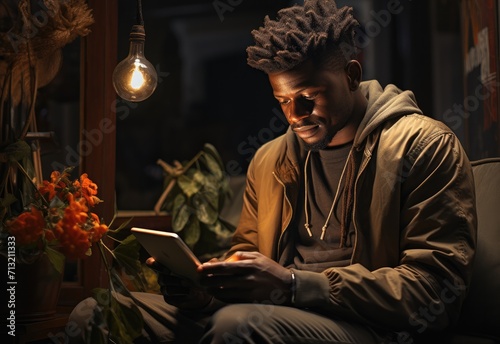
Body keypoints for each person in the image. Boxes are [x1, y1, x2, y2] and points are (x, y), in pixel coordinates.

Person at [68, 0, 477, 343]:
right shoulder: (270, 160)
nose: (295, 116)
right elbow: (249, 262)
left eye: (309, 97)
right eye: (282, 100)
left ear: (351, 75)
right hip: (267, 314)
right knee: (95, 313)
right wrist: (204, 295)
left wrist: (295, 284)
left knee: (238, 326)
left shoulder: (423, 147)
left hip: (368, 325)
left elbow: (436, 292)